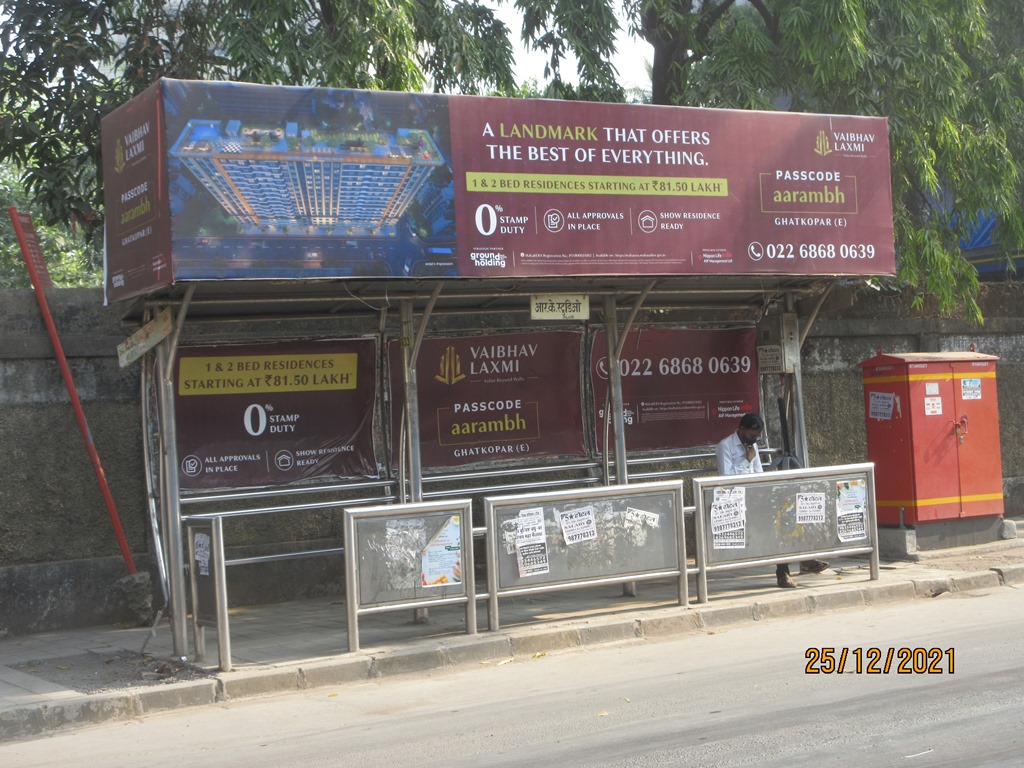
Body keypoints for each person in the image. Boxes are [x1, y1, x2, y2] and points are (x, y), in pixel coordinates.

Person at [715, 413, 828, 588]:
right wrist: (748, 460)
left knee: (790, 509)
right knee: (777, 518)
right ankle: (792, 565)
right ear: (742, 430)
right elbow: (725, 479)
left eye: (757, 437)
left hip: (756, 495)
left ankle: (801, 557)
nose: (754, 440)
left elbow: (759, 474)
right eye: (752, 435)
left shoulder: (753, 446)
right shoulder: (726, 446)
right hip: (736, 498)